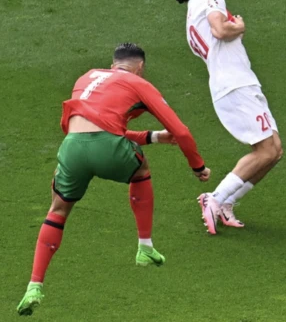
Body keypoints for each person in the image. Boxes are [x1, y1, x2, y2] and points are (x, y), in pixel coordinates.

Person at [17, 43, 211, 316]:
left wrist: (152, 136)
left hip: (72, 147)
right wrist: (197, 166)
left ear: (113, 63)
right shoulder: (137, 82)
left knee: (57, 211)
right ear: (140, 67)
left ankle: (34, 286)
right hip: (107, 147)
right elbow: (180, 131)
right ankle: (145, 247)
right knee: (141, 169)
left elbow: (95, 128)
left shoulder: (86, 77)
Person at [169, 0, 283, 235]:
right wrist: (240, 26)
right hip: (235, 85)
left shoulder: (191, 16)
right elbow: (221, 30)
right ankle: (215, 199)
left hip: (234, 84)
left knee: (274, 152)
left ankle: (227, 202)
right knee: (266, 150)